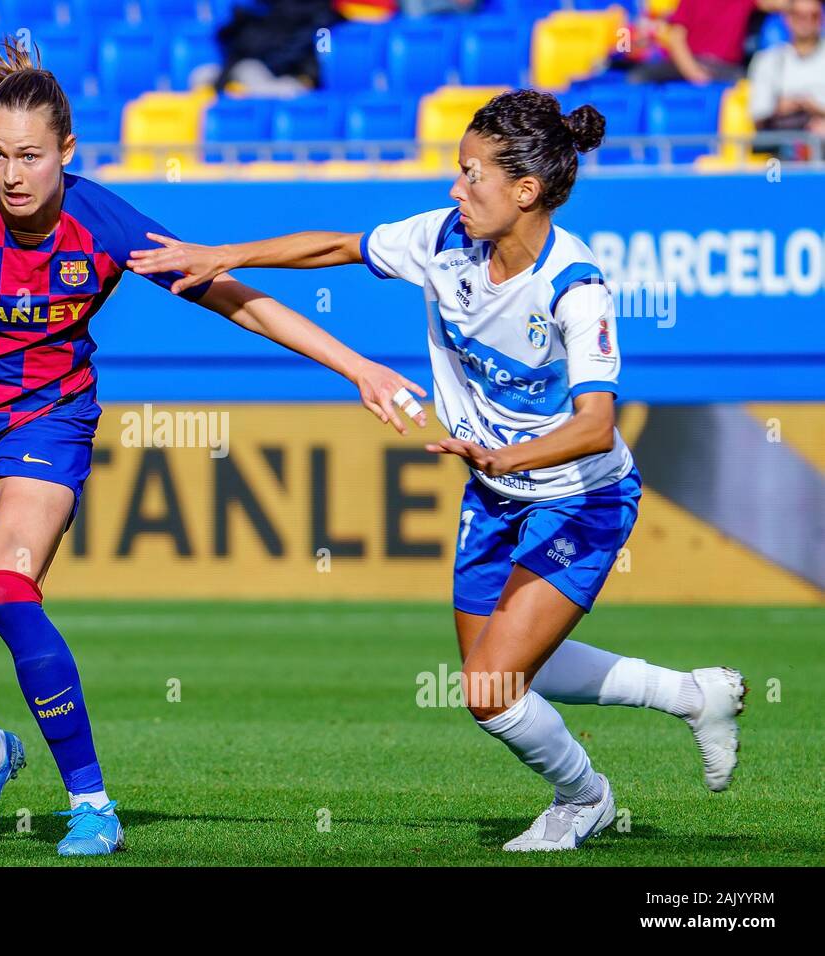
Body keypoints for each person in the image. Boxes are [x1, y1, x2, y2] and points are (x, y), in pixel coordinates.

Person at [0, 37, 424, 858]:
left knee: (7, 585)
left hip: (49, 420)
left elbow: (238, 302)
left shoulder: (104, 222)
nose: (11, 174)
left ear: (67, 152)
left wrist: (357, 367)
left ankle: (91, 802)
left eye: (30, 156)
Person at [129, 89, 747, 852]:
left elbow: (595, 426)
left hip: (580, 499)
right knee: (501, 673)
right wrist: (226, 254)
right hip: (493, 493)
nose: (456, 188)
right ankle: (692, 694)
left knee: (492, 690)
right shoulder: (446, 238)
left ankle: (582, 798)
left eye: (471, 173)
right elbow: (339, 248)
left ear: (525, 191)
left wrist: (504, 454)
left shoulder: (575, 289)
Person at [630, 0, 785, 84]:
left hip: (727, 69)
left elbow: (779, 3)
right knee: (637, 78)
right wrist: (694, 73)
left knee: (747, 87)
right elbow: (676, 38)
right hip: (689, 63)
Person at [749, 0, 825, 154]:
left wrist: (815, 110)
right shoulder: (767, 60)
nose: (807, 21)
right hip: (780, 147)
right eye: (800, 15)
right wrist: (785, 107)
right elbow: (758, 115)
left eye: (814, 15)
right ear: (787, 18)